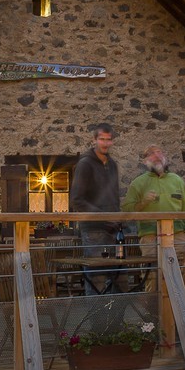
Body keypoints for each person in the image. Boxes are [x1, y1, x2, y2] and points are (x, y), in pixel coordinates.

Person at [70, 123, 124, 291]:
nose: (105, 143)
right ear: (94, 140)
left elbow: (114, 196)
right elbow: (77, 200)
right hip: (93, 229)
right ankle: (96, 318)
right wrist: (102, 216)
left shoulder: (113, 165)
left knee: (119, 277)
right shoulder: (85, 164)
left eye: (109, 140)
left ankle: (114, 317)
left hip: (113, 229)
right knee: (96, 278)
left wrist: (116, 219)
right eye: (102, 139)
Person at [122, 144, 185, 257]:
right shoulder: (138, 183)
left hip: (178, 236)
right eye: (151, 153)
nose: (156, 155)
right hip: (150, 238)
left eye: (159, 152)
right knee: (152, 272)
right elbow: (126, 210)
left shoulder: (177, 180)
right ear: (145, 161)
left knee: (179, 272)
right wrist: (143, 203)